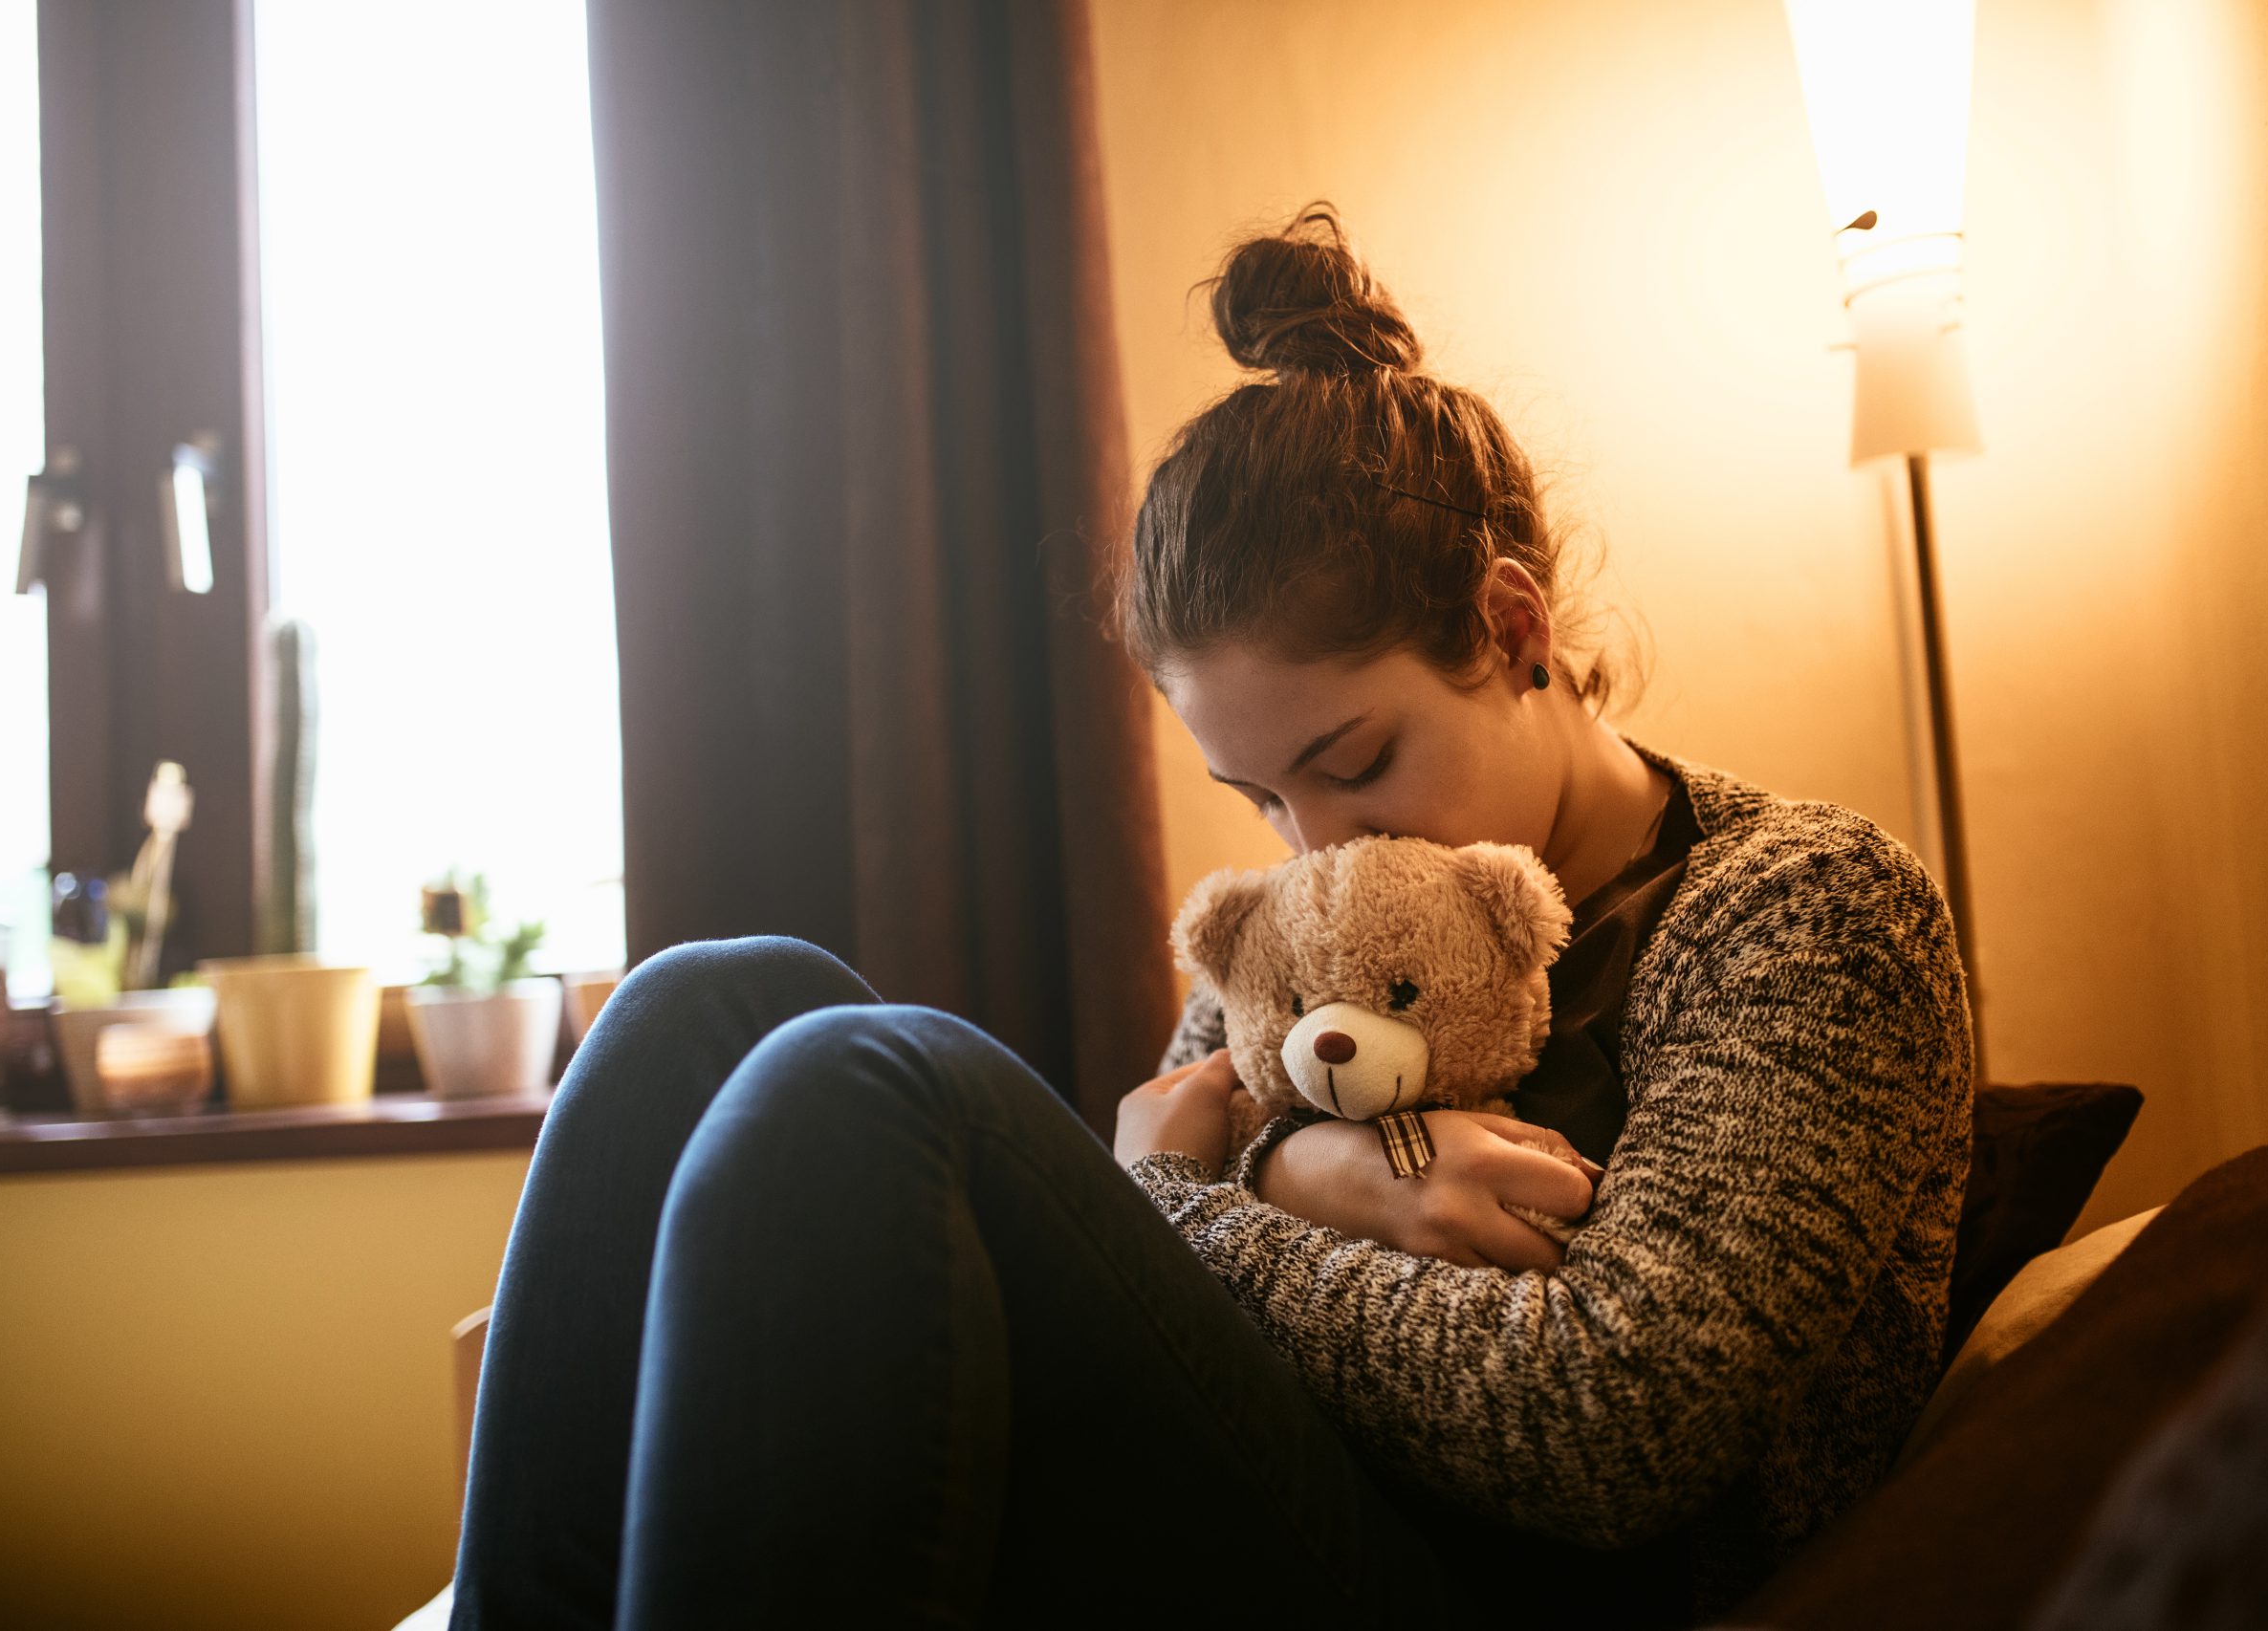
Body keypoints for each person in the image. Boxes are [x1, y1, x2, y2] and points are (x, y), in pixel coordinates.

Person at [448, 204, 1973, 1630]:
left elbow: (1607, 1427)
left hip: (1516, 1588)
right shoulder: (1304, 909)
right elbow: (1200, 1124)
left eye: (1354, 761)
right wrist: (1322, 1175)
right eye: (1258, 798)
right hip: (1276, 1489)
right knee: (704, 1002)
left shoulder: (1805, 906)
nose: (1314, 844)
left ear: (1513, 630)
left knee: (862, 1087)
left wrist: (1200, 1208)